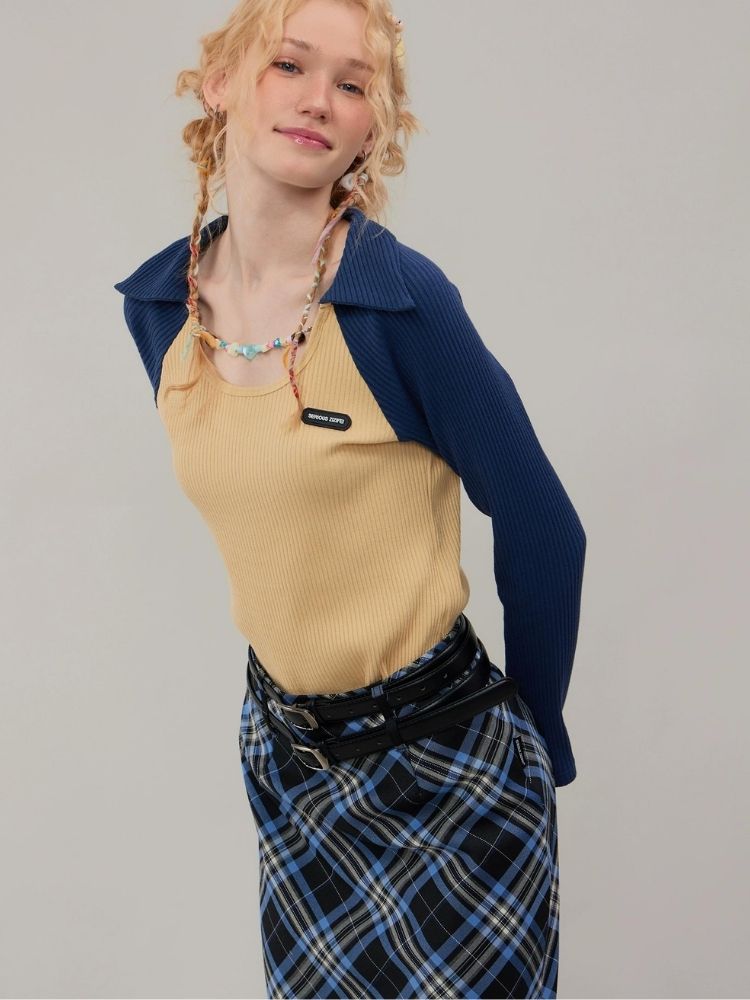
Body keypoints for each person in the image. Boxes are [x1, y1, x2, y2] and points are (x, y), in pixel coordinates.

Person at [113, 1, 587, 997]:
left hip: (445, 766)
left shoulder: (396, 304)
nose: (319, 100)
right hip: (291, 764)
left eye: (353, 83)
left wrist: (538, 736)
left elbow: (544, 525)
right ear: (220, 83)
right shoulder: (161, 311)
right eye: (289, 65)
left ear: (373, 127)